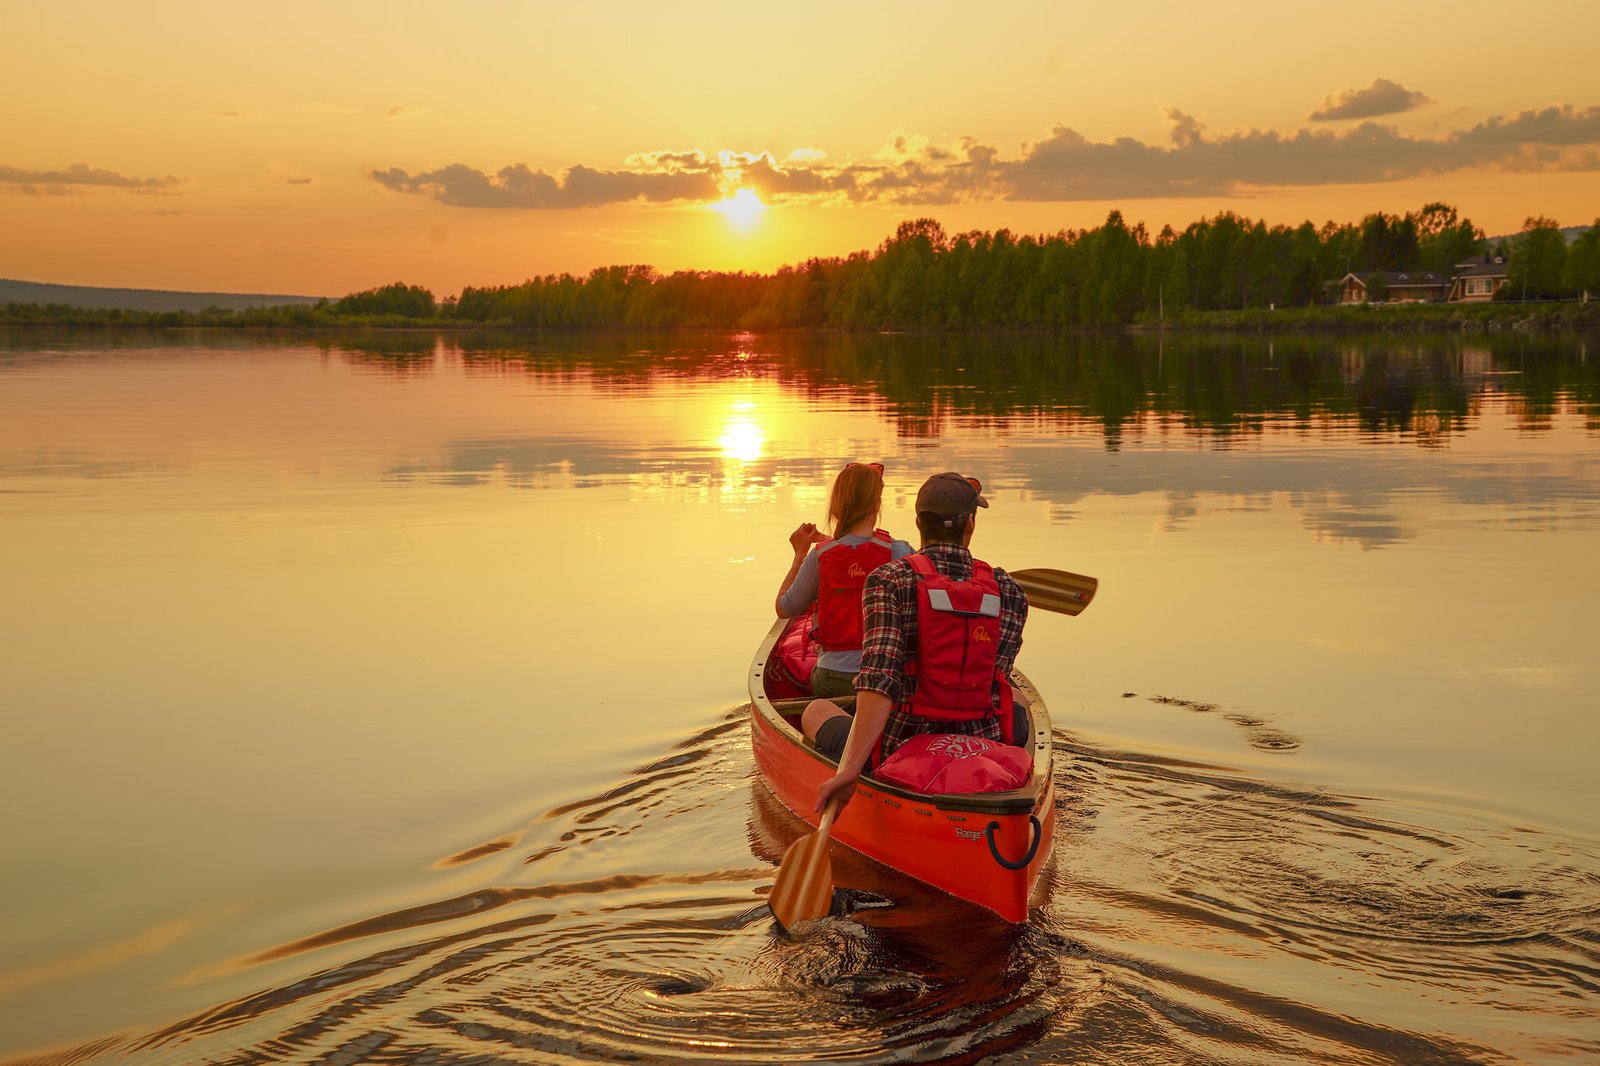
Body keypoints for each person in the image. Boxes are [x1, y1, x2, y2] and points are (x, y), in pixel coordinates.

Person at [803, 471, 1029, 814]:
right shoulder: (1009, 590)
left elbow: (880, 682)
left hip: (899, 749)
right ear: (970, 523)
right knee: (1022, 704)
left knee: (816, 710)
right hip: (983, 744)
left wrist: (850, 770)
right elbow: (997, 674)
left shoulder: (889, 580)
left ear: (919, 522)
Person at [775, 462, 913, 698]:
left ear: (837, 505)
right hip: (884, 678)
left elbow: (784, 608)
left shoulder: (820, 556)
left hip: (832, 679)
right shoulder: (900, 552)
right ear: (876, 504)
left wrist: (800, 554)